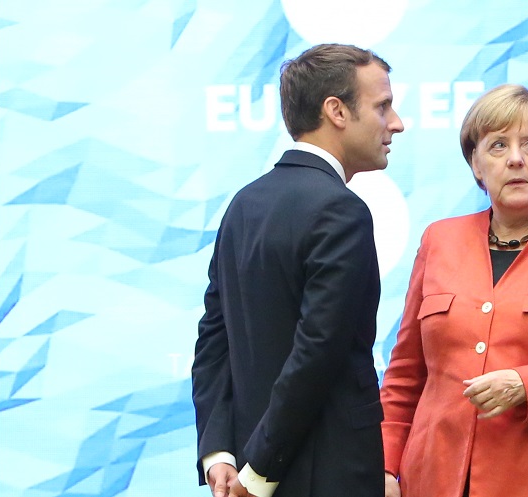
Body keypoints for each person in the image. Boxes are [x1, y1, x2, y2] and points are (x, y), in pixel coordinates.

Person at [379, 84, 528, 497]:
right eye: (498, 145)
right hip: (433, 478)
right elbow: (405, 376)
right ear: (476, 164)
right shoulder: (439, 240)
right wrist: (383, 466)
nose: (516, 159)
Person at [191, 43, 404, 497]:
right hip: (324, 476)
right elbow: (317, 354)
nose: (396, 123)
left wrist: (220, 455)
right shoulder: (341, 211)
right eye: (382, 106)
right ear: (337, 111)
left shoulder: (244, 204)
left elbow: (213, 338)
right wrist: (259, 471)